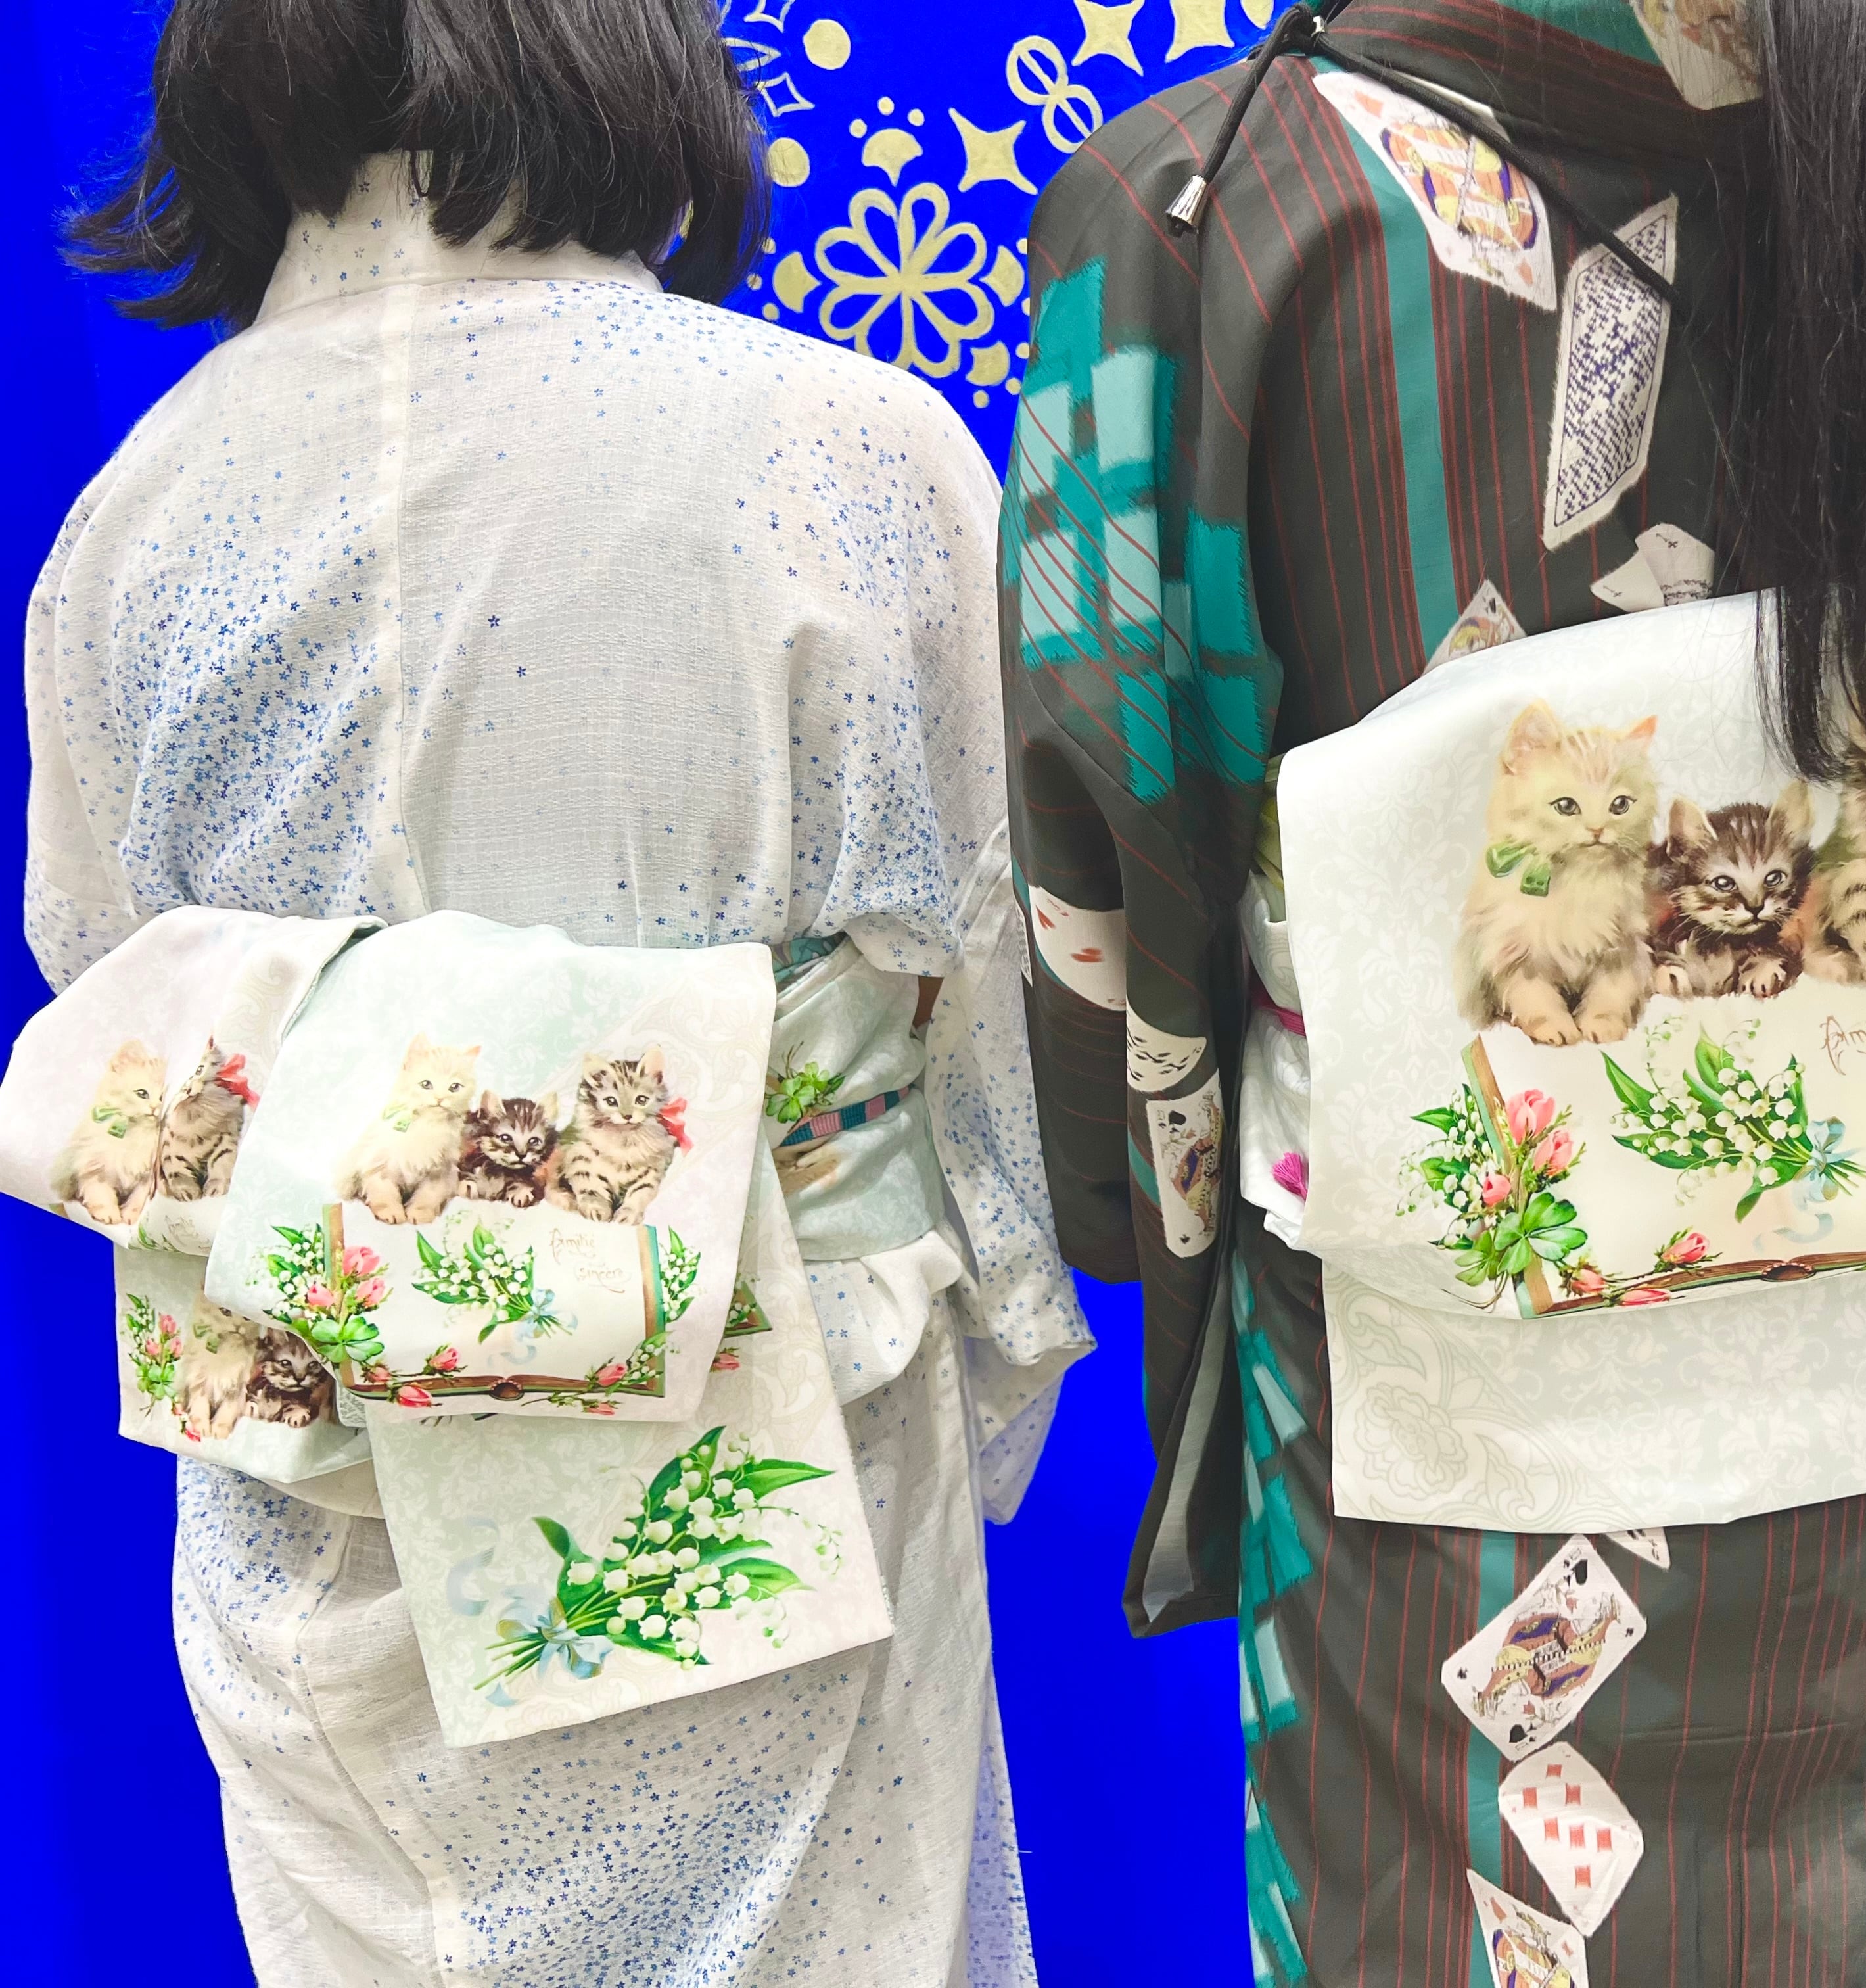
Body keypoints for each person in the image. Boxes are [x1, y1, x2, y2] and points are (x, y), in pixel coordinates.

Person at [1000, 0, 1866, 1980]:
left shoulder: (1224, 203)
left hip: (1452, 1406)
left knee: (1458, 1916)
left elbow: (1116, 853)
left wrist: (1155, 1203)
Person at [31, 3, 1087, 1981]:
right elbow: (994, 961)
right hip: (773, 1457)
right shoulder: (844, 450)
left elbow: (107, 984)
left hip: (314, 1502)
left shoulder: (134, 523)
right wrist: (1018, 1323)